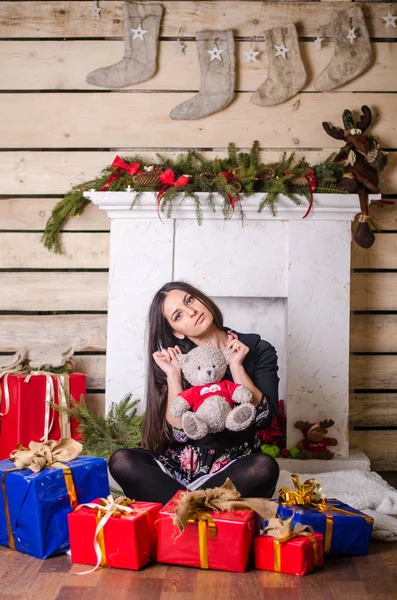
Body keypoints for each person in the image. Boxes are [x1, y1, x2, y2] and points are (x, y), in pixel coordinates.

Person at [109, 281, 280, 504]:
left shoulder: (255, 348)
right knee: (121, 460)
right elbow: (178, 433)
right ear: (176, 332)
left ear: (201, 298)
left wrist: (237, 366)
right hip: (178, 470)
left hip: (232, 468)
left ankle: (179, 504)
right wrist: (173, 375)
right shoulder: (178, 359)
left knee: (264, 467)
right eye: (178, 315)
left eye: (189, 300)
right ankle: (197, 504)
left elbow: (263, 418)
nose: (191, 312)